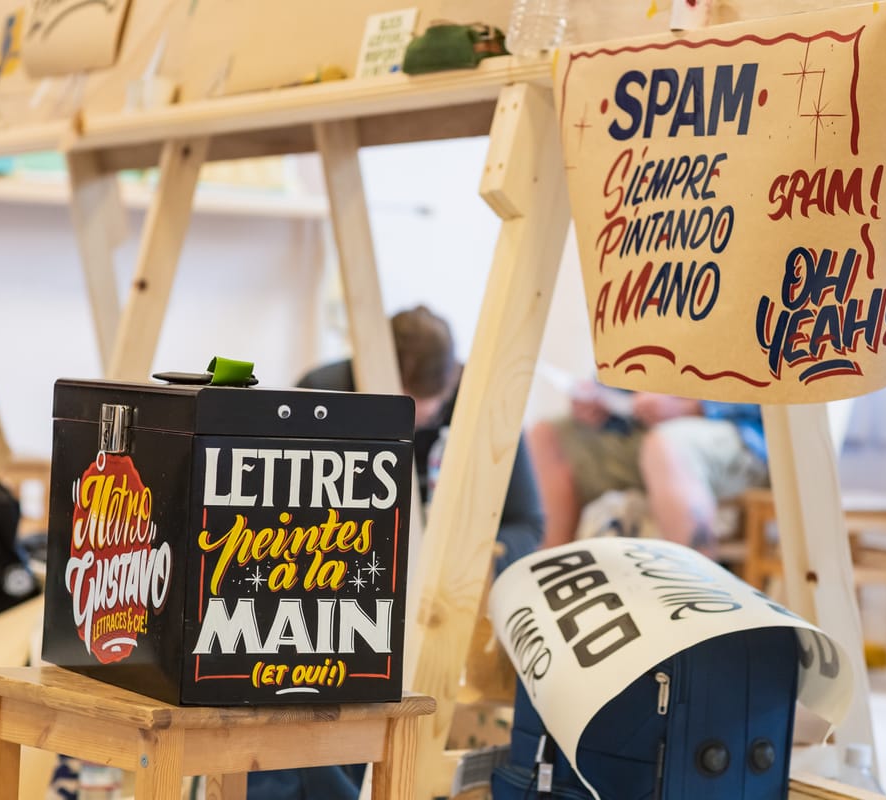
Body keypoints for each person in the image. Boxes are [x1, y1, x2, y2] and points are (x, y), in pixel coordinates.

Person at [247, 304, 544, 800]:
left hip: (445, 599)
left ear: (453, 381)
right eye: (406, 401)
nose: (421, 416)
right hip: (337, 589)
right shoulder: (322, 392)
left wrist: (464, 557)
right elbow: (275, 516)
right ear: (367, 372)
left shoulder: (486, 403)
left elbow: (526, 523)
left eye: (430, 404)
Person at [527, 382, 768, 555]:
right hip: (636, 426)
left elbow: (774, 387)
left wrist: (692, 407)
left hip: (738, 430)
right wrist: (600, 396)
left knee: (666, 445)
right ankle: (550, 575)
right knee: (546, 435)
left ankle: (699, 591)